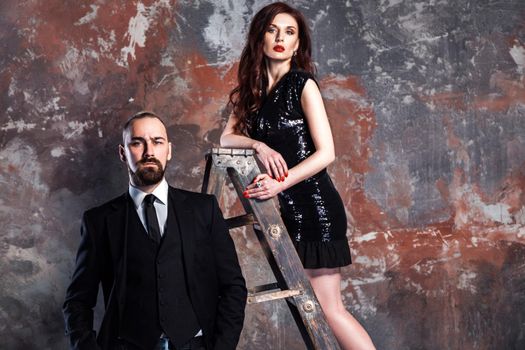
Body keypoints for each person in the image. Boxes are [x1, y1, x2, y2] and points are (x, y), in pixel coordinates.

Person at [220, 3, 375, 350]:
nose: (280, 38)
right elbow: (226, 137)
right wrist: (258, 146)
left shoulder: (302, 84)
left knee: (328, 309)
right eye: (273, 29)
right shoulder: (252, 91)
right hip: (289, 210)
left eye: (289, 32)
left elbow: (327, 153)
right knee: (310, 309)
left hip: (318, 207)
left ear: (297, 44)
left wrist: (281, 181)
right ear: (260, 36)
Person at [63, 111, 247, 350]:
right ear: (123, 153)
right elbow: (77, 302)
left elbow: (233, 286)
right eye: (138, 142)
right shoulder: (99, 221)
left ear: (168, 150)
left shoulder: (204, 209)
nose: (149, 151)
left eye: (157, 142)